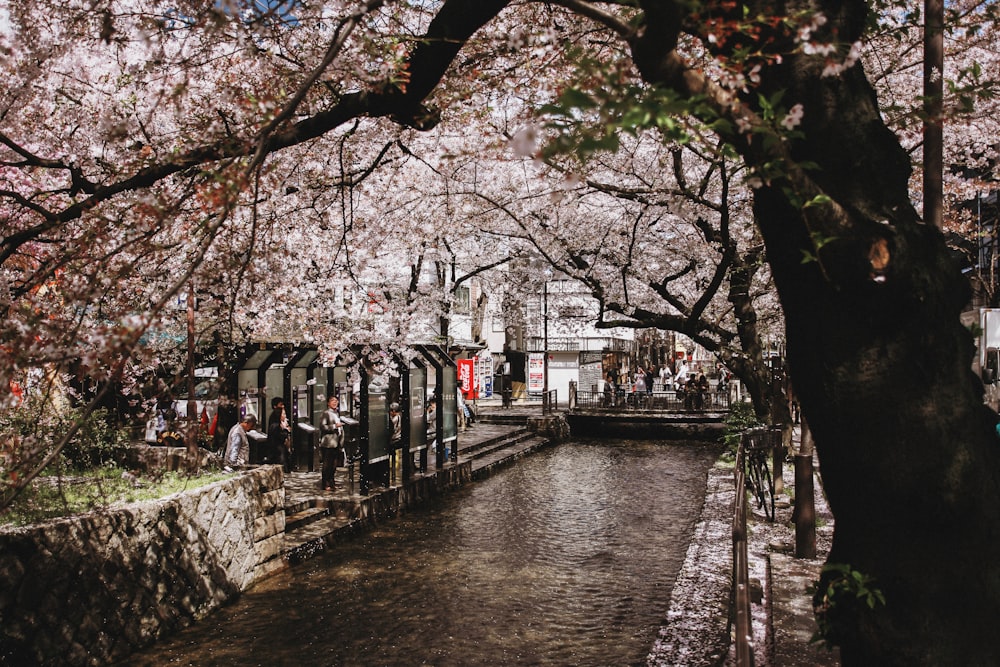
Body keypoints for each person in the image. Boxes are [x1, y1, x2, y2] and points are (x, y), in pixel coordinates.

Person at [319, 396, 344, 491]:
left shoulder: (336, 413)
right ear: (328, 403)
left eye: (336, 401)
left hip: (336, 442)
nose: (335, 403)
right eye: (332, 401)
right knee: (327, 464)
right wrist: (334, 426)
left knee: (334, 464)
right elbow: (323, 427)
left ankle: (332, 482)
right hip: (328, 443)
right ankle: (325, 483)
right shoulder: (326, 414)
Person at [267, 397, 291, 473]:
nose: (282, 406)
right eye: (280, 404)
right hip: (277, 444)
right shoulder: (275, 418)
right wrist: (285, 430)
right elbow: (276, 431)